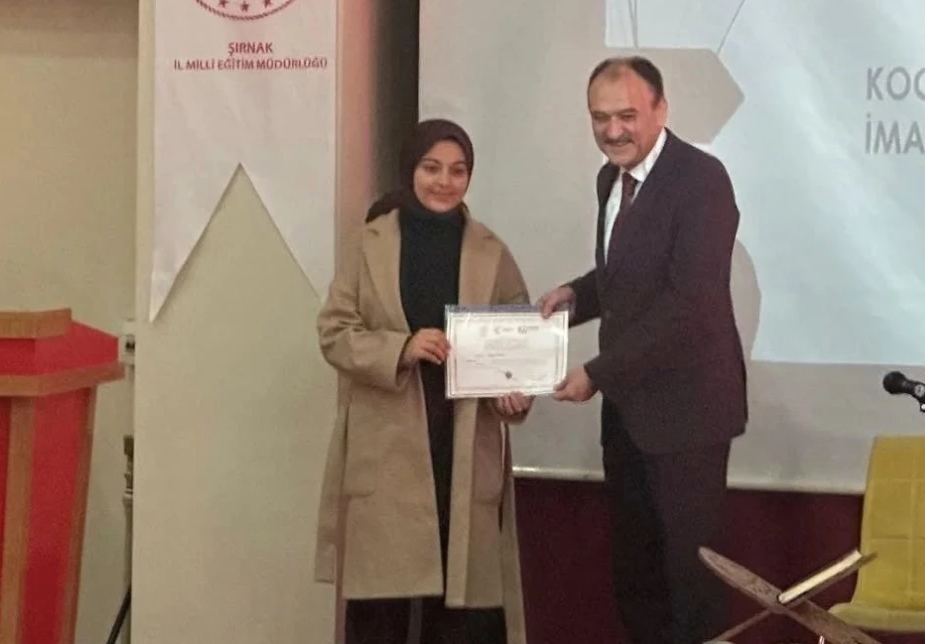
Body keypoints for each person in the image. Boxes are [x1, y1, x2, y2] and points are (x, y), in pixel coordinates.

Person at [537, 56, 748, 644]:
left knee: (691, 581)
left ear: (661, 109)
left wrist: (597, 372)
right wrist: (577, 296)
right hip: (629, 418)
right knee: (637, 574)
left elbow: (689, 303)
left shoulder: (702, 180)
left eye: (626, 115)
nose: (613, 130)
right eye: (599, 117)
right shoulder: (611, 180)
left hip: (688, 418)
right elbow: (627, 275)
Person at [314, 118, 533, 644]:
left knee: (460, 615)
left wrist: (515, 395)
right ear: (410, 170)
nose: (444, 182)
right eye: (432, 168)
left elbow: (518, 345)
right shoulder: (367, 244)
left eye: (458, 171)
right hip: (388, 445)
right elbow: (334, 332)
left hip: (461, 446)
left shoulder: (491, 251)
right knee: (381, 612)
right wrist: (402, 348)